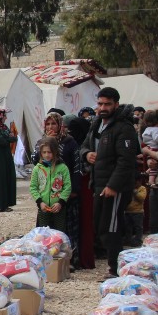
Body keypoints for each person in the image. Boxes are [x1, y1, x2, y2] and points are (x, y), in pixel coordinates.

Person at [79, 87, 141, 278]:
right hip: (98, 183)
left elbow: (126, 161)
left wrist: (113, 186)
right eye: (100, 104)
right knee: (101, 226)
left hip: (115, 187)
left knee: (111, 227)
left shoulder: (124, 128)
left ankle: (115, 269)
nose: (102, 107)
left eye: (107, 104)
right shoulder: (97, 124)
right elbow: (85, 146)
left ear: (116, 104)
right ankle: (119, 263)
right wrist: (87, 154)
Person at [41, 113, 82, 267]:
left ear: (60, 125)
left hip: (66, 193)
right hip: (46, 195)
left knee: (65, 228)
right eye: (48, 124)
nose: (51, 127)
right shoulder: (42, 142)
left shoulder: (69, 142)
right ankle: (47, 260)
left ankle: (68, 260)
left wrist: (73, 189)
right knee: (46, 229)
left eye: (54, 124)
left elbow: (76, 167)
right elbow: (35, 161)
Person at [65, 113, 96, 269]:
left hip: (83, 188)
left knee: (83, 223)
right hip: (83, 188)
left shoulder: (79, 147)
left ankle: (82, 258)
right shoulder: (82, 145)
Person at [30, 137, 71, 233]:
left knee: (59, 233)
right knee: (43, 234)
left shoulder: (62, 168)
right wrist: (40, 202)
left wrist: (60, 203)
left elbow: (67, 187)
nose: (47, 155)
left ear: (55, 152)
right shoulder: (37, 169)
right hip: (43, 207)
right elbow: (33, 187)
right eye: (44, 152)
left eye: (49, 152)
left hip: (58, 208)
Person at [125, 174, 147, 247]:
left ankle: (138, 240)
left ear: (140, 181)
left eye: (136, 182)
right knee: (128, 227)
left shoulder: (142, 188)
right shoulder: (128, 189)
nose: (134, 184)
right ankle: (128, 240)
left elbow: (141, 198)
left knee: (138, 227)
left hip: (138, 212)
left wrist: (134, 191)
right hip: (128, 211)